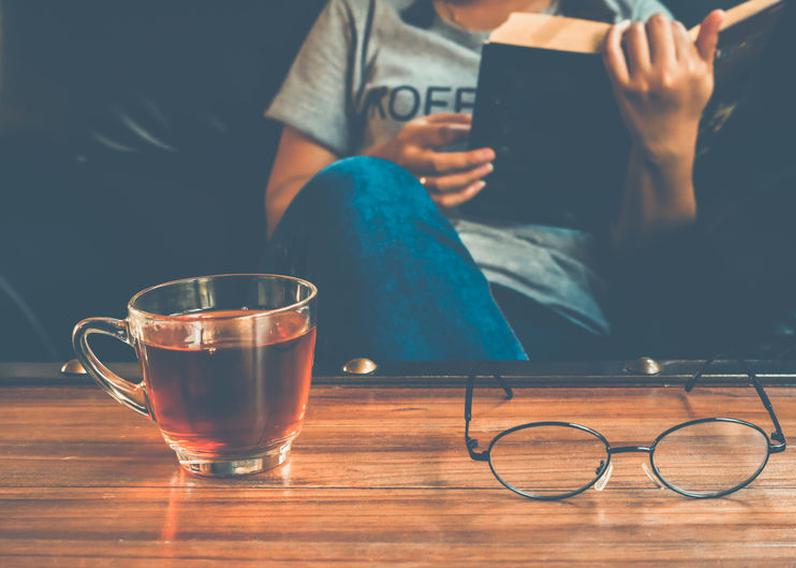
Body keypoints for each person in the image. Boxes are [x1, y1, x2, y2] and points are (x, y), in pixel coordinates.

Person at [261, 0, 725, 365]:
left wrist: (668, 141)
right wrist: (384, 173)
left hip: (543, 309)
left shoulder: (637, 27)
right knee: (362, 182)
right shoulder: (361, 14)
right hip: (375, 288)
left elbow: (659, 265)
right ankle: (516, 433)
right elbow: (285, 212)